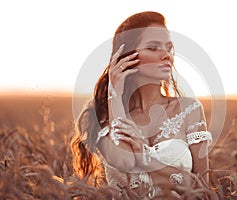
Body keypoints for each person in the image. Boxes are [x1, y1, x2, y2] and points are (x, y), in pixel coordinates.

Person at [71, 11, 212, 199]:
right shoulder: (104, 114)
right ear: (127, 56)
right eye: (153, 48)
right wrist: (115, 93)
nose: (166, 56)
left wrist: (144, 157)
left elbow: (203, 189)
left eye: (169, 48)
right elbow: (126, 160)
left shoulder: (189, 110)